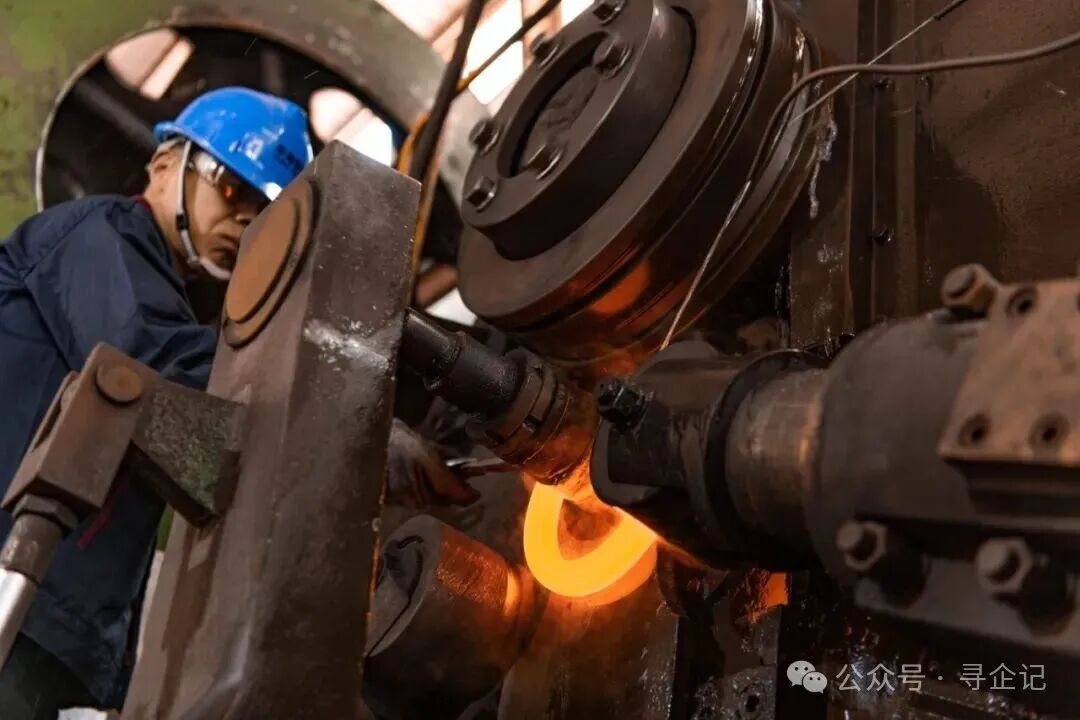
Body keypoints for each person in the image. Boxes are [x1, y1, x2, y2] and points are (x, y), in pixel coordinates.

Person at [0, 87, 475, 718]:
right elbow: (157, 360)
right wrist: (348, 428)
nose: (246, 219)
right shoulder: (97, 233)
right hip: (21, 592)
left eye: (263, 208)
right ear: (165, 162)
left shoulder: (164, 298)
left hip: (60, 628)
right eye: (231, 187)